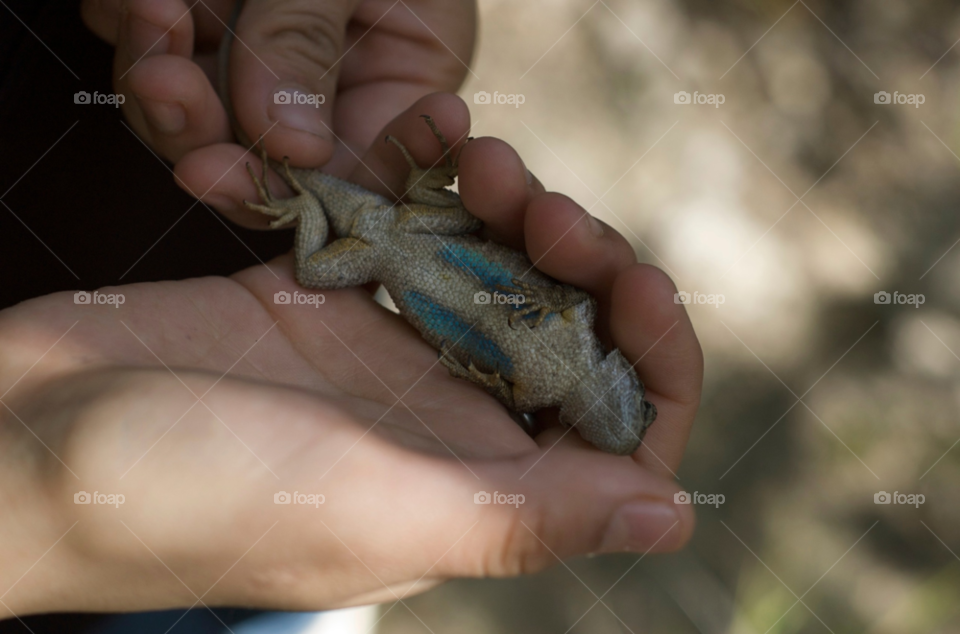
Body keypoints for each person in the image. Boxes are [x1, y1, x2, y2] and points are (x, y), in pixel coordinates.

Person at [0, 0, 703, 622]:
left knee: (313, 251)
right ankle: (309, 197)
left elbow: (490, 340)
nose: (632, 406)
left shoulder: (563, 338)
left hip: (400, 237)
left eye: (629, 409)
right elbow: (492, 336)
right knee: (311, 244)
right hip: (397, 238)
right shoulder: (554, 355)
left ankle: (309, 199)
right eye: (638, 408)